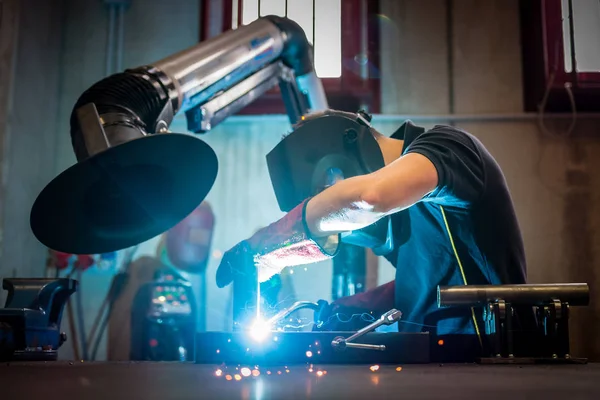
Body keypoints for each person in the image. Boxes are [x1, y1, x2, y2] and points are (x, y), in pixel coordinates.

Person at [215, 110, 528, 357]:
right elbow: (430, 283)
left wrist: (269, 244)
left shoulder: (450, 146)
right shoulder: (403, 217)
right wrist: (348, 310)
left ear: (334, 173)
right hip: (442, 366)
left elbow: (369, 198)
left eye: (325, 199)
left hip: (495, 363)